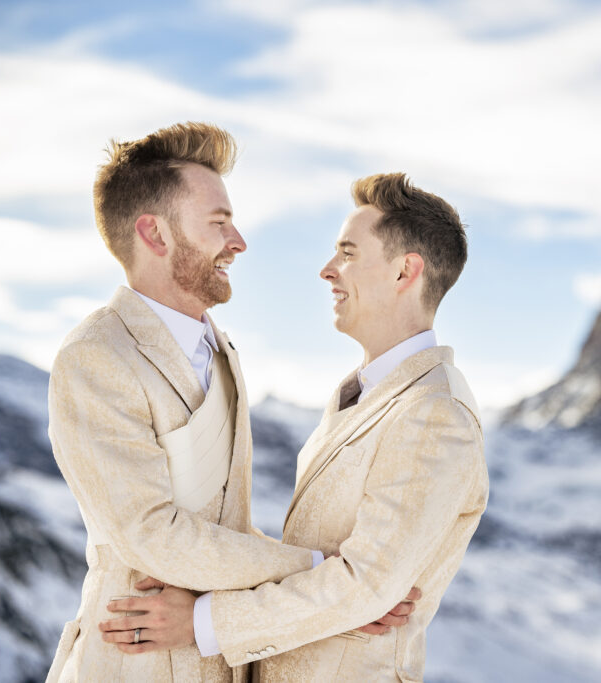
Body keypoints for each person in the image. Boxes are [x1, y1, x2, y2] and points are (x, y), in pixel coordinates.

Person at [45, 123, 411, 683]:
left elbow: (226, 528)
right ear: (155, 233)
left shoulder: (222, 350)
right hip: (134, 665)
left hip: (221, 661)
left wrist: (346, 591)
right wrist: (328, 572)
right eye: (219, 223)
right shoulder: (96, 356)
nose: (239, 242)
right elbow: (153, 536)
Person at [100, 173, 489, 682]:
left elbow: (364, 585)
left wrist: (199, 622)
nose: (327, 271)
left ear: (404, 273)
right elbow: (334, 566)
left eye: (347, 253)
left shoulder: (435, 413)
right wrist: (308, 567)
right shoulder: (365, 396)